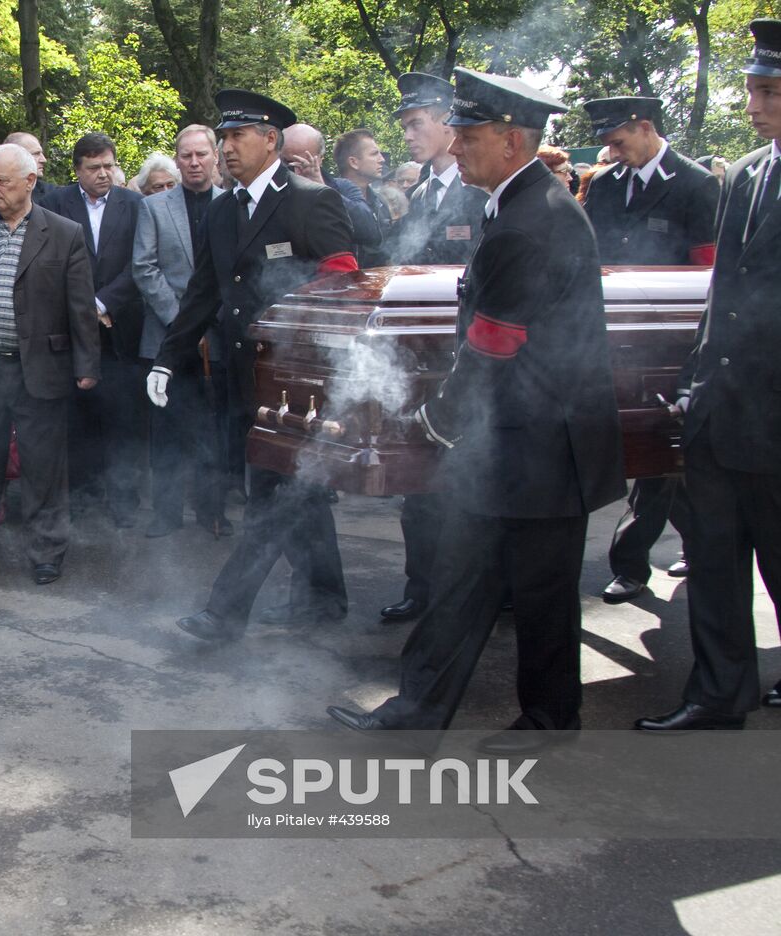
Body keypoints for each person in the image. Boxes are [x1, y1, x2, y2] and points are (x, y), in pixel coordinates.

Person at [327, 69, 625, 753]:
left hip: (547, 446)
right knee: (463, 577)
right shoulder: (513, 205)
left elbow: (493, 342)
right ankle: (415, 713)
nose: (455, 144)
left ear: (512, 140)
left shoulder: (533, 219)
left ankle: (551, 723)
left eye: (469, 133)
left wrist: (434, 422)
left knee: (543, 595)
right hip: (512, 440)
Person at [148, 89, 358, 641]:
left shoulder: (311, 201)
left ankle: (225, 612)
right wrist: (168, 360)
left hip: (299, 380)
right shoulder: (223, 208)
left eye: (238, 136)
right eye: (224, 137)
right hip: (247, 377)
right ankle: (323, 598)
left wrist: (325, 373)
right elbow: (202, 294)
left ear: (271, 140)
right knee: (299, 490)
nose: (226, 147)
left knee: (271, 490)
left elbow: (342, 289)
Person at [636, 20, 781, 731]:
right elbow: (721, 292)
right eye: (753, 88)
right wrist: (693, 382)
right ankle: (718, 694)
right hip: (722, 410)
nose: (754, 103)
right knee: (716, 564)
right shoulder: (750, 171)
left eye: (769, 90)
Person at [0, 143, 100, 584]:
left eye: (1, 181)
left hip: (43, 367)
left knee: (44, 466)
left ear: (29, 182)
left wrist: (87, 363)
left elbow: (81, 306)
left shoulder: (64, 233)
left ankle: (46, 552)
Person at [582, 95, 721, 606]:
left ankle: (635, 561)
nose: (613, 153)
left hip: (673, 341)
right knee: (653, 454)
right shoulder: (603, 186)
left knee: (660, 453)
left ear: (645, 128)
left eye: (618, 141)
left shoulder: (695, 185)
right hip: (616, 337)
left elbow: (707, 272)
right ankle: (685, 546)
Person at [383, 72, 489, 625]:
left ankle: (478, 595)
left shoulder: (484, 190)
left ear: (449, 122)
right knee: (419, 489)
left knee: (468, 488)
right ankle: (421, 588)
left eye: (416, 123)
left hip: (473, 358)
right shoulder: (421, 192)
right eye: (403, 125)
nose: (408, 135)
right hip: (427, 360)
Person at [41, 132, 147, 527]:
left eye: (108, 165)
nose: (103, 174)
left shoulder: (135, 204)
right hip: (71, 330)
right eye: (93, 168)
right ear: (77, 170)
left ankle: (124, 501)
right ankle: (83, 499)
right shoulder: (54, 204)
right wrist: (83, 307)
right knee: (80, 418)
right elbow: (49, 263)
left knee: (122, 417)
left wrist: (103, 303)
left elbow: (141, 263)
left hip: (121, 328)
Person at [132, 124, 231, 538]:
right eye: (186, 156)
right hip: (168, 338)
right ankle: (166, 514)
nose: (194, 162)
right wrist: (183, 323)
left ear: (214, 157)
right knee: (168, 431)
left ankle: (213, 512)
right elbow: (144, 267)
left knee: (215, 428)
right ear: (177, 159)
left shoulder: (233, 204)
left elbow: (239, 270)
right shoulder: (155, 207)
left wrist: (211, 319)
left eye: (201, 155)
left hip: (221, 336)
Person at [331, 128, 393, 267]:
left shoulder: (380, 202)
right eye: (374, 154)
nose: (382, 160)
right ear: (353, 162)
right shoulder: (329, 201)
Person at [4, 131, 54, 200]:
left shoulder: (52, 195)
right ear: (14, 157)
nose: (44, 160)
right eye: (36, 154)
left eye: (41, 153)